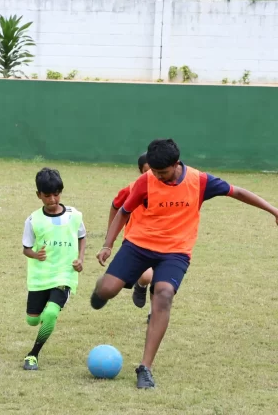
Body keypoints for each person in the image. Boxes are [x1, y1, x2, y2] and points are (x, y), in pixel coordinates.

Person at [91, 139, 278, 389]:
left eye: (163, 172)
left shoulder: (199, 181)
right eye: (154, 172)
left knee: (164, 293)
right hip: (138, 245)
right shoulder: (145, 181)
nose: (157, 177)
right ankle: (101, 291)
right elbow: (124, 210)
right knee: (107, 290)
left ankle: (145, 367)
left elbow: (238, 192)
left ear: (176, 164)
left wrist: (273, 210)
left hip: (175, 251)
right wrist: (107, 244)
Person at [22, 168, 86, 371]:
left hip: (64, 275)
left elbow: (81, 236)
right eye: (47, 195)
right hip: (40, 277)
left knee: (50, 314)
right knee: (32, 320)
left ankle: (33, 354)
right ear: (38, 195)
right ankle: (42, 320)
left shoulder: (74, 215)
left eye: (56, 194)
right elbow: (26, 248)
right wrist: (35, 254)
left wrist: (80, 259)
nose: (53, 199)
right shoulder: (33, 220)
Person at [109, 153, 154, 320]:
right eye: (146, 171)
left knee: (162, 279)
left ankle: (153, 314)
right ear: (140, 171)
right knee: (147, 276)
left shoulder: (170, 188)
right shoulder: (133, 188)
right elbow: (115, 206)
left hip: (163, 240)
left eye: (154, 170)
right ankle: (141, 285)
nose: (150, 175)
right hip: (137, 241)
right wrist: (109, 239)